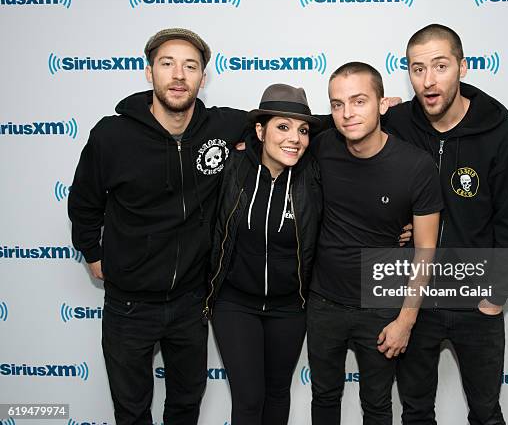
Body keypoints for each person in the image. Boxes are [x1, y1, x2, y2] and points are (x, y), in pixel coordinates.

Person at [68, 28, 248, 425]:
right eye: (167, 64)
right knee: (131, 412)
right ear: (149, 73)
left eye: (190, 66)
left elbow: (288, 125)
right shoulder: (112, 135)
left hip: (190, 301)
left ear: (204, 76)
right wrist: (93, 253)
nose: (179, 75)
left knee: (185, 407)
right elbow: (83, 202)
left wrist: (383, 112)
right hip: (129, 305)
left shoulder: (223, 127)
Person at [384, 24, 508, 425]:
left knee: (486, 414)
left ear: (462, 67)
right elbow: (341, 132)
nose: (428, 81)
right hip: (414, 300)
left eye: (440, 66)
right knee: (416, 413)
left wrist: (496, 295)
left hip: (477, 298)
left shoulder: (502, 133)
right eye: (417, 69)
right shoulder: (397, 124)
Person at [307, 62, 443, 425]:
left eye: (359, 101)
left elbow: (426, 249)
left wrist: (406, 320)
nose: (347, 113)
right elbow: (282, 132)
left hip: (381, 304)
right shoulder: (321, 148)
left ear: (383, 105)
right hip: (323, 302)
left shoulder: (416, 167)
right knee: (323, 397)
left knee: (378, 405)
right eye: (338, 104)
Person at [204, 84, 322, 425]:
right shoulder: (233, 167)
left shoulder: (312, 175)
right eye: (282, 127)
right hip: (235, 303)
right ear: (259, 130)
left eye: (302, 130)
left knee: (277, 393)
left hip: (289, 306)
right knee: (248, 399)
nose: (294, 138)